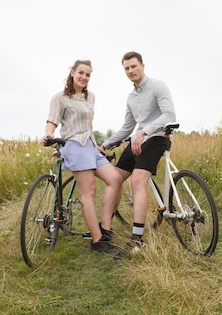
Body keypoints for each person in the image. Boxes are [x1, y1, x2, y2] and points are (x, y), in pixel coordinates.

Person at [98, 51, 176, 252]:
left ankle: (137, 239)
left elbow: (169, 114)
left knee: (136, 181)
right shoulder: (131, 97)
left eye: (133, 66)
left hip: (158, 137)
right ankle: (104, 230)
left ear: (143, 65)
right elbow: (126, 127)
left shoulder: (158, 86)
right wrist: (105, 145)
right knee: (113, 178)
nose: (130, 70)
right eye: (126, 68)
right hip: (137, 140)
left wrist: (144, 131)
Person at [43, 59, 123, 255]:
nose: (84, 77)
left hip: (90, 145)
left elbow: (89, 125)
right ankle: (97, 241)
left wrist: (96, 146)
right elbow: (52, 121)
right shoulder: (60, 98)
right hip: (74, 145)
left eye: (88, 74)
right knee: (89, 191)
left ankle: (105, 229)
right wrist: (48, 134)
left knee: (115, 179)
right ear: (72, 72)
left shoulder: (91, 97)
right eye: (81, 72)